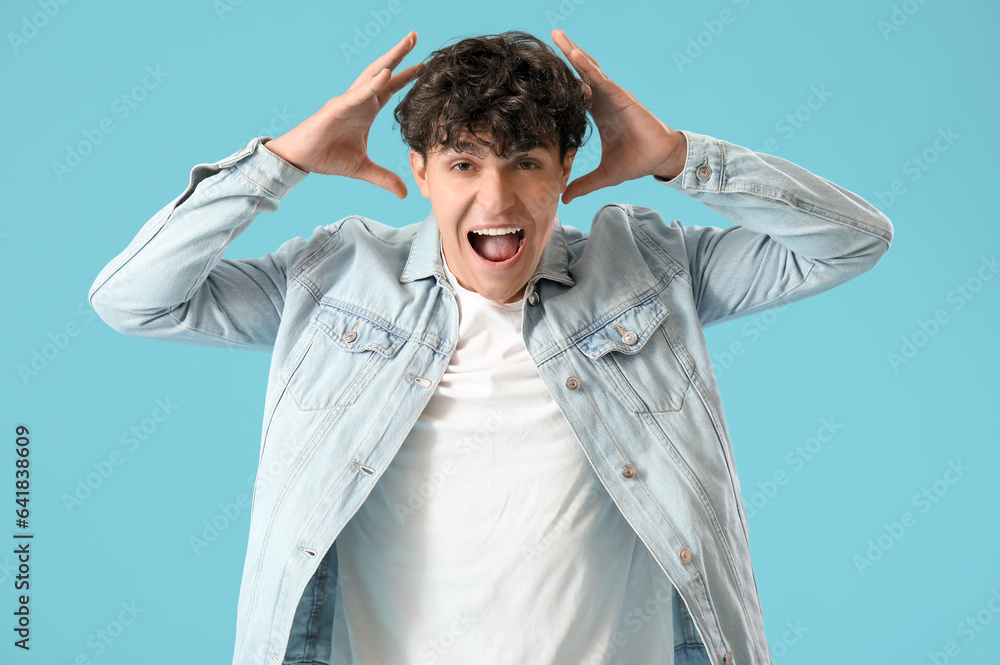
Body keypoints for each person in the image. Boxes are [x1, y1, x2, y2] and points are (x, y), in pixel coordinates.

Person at [88, 29, 892, 665]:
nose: (496, 198)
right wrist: (281, 162)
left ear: (566, 167)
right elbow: (134, 298)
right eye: (463, 162)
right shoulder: (335, 279)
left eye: (526, 163)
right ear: (422, 169)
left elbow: (850, 241)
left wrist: (681, 159)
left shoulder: (649, 270)